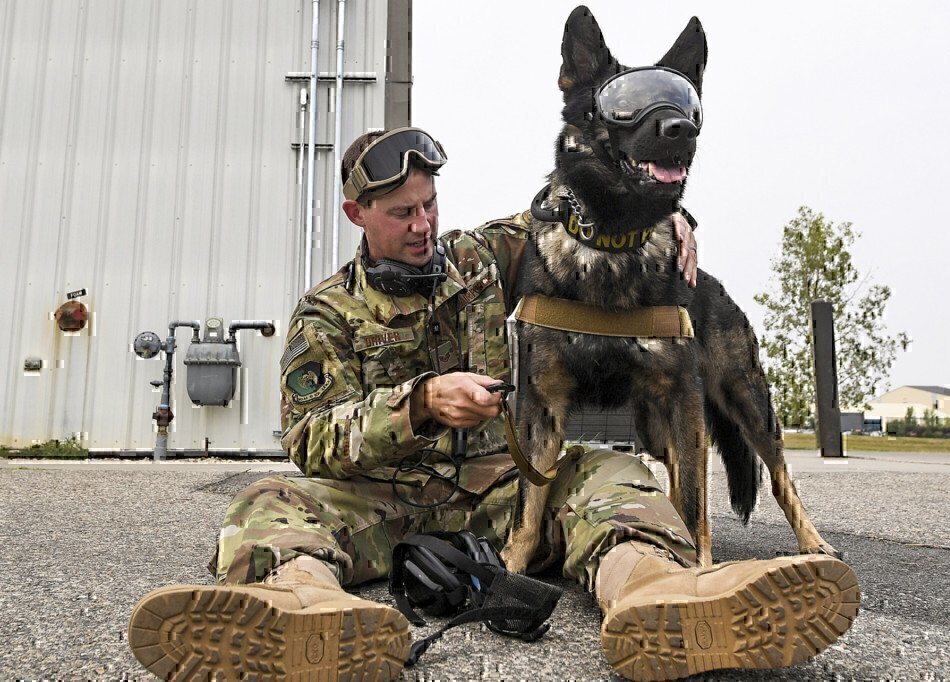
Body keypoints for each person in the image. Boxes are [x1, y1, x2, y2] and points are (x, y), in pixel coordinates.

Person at [127, 128, 859, 681]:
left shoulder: (482, 259)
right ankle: (305, 615)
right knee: (266, 499)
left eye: (430, 205)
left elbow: (577, 203)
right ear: (358, 212)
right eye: (402, 212)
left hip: (500, 495)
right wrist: (415, 405)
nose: (423, 226)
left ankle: (656, 592)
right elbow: (309, 439)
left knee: (607, 471)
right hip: (383, 502)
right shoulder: (324, 313)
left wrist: (672, 213)